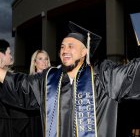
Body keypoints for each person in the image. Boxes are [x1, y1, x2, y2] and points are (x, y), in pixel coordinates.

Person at [0, 21, 140, 137]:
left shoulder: (103, 76)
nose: (64, 50)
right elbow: (19, 85)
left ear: (84, 51)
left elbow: (132, 72)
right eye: (62, 47)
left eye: (71, 46)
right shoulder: (49, 78)